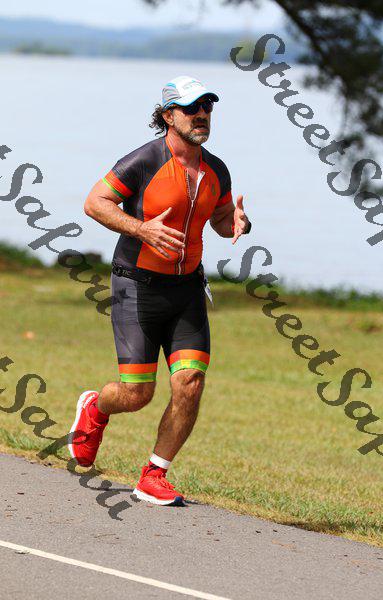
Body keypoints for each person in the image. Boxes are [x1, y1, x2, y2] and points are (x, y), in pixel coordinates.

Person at [68, 75, 251, 505]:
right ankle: (95, 407)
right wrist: (141, 229)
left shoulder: (216, 169)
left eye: (207, 106)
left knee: (190, 382)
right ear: (169, 115)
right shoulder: (143, 161)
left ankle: (154, 474)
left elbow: (221, 220)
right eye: (191, 108)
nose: (201, 114)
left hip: (187, 290)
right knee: (136, 394)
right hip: (137, 286)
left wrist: (238, 223)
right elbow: (95, 203)